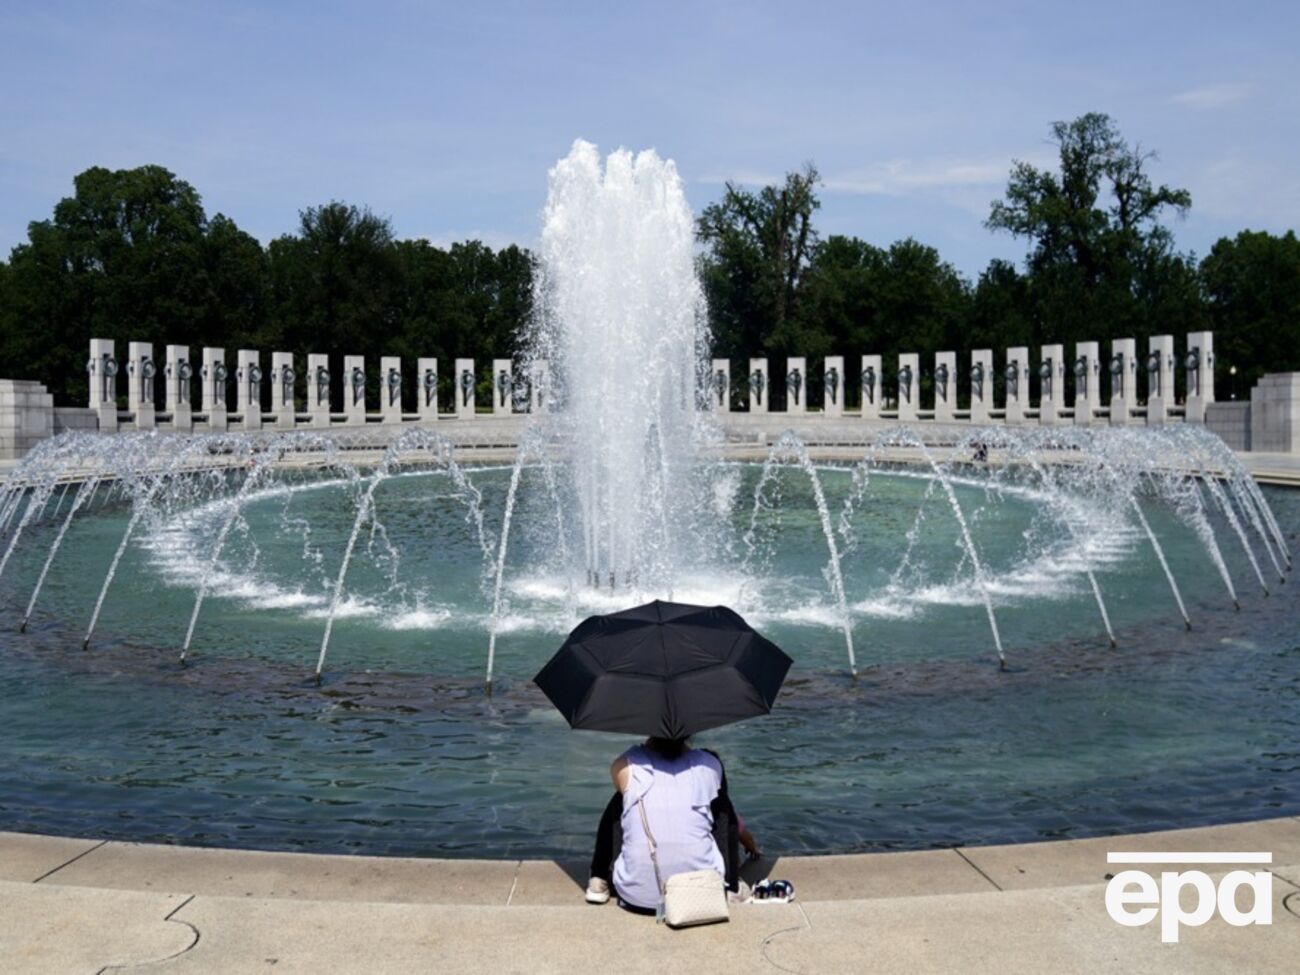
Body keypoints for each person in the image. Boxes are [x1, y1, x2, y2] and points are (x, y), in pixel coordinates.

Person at [585, 736, 753, 912]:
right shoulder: (709, 764)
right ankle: (731, 885)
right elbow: (728, 823)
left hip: (635, 896)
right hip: (703, 894)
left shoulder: (625, 764)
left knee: (621, 800)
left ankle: (599, 877)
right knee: (721, 804)